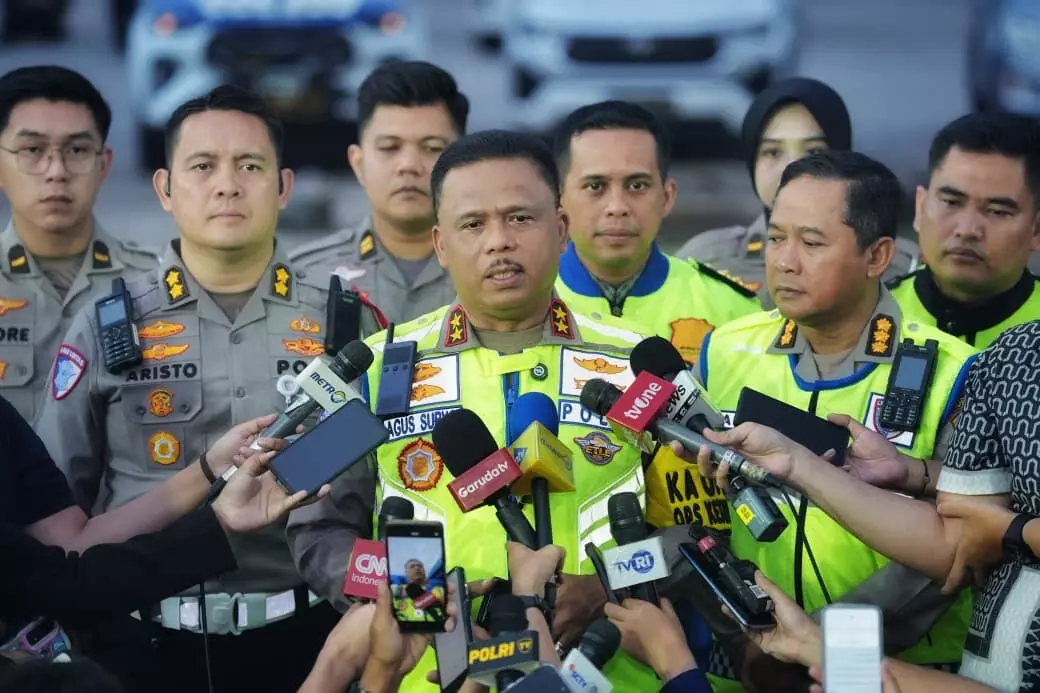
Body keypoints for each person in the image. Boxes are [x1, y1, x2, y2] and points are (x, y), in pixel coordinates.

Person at [33, 85, 381, 693]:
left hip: (305, 638)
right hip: (139, 645)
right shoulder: (107, 324)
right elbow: (56, 504)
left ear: (283, 186)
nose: (227, 185)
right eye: (202, 166)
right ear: (165, 189)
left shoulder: (347, 326)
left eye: (250, 166)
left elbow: (372, 495)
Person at [287, 129, 662, 691]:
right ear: (441, 245)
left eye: (520, 218)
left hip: (606, 670)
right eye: (473, 224)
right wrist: (418, 600)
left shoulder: (639, 363)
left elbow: (700, 529)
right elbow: (317, 528)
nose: (499, 242)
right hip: (432, 674)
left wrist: (607, 587)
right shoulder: (373, 368)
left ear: (561, 228)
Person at [694, 150, 976, 691]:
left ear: (878, 256)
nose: (785, 261)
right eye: (776, 238)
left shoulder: (953, 372)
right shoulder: (724, 350)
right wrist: (745, 637)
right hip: (748, 659)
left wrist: (812, 644)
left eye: (812, 243)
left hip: (901, 673)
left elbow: (959, 548)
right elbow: (691, 512)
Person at [551, 100, 760, 534]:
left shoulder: (733, 309)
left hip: (705, 549)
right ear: (559, 199)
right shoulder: (524, 308)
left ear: (667, 196)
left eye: (637, 185)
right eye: (595, 186)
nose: (617, 206)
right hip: (569, 555)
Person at [0, 66, 158, 422]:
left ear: (104, 165)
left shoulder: (153, 283)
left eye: (77, 150)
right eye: (32, 149)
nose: (56, 171)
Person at [674, 78, 919, 308]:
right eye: (772, 152)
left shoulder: (904, 267)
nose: (791, 168)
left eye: (813, 152)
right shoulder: (704, 262)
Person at [289, 61, 465, 324]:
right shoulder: (302, 277)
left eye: (432, 148)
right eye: (390, 147)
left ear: (465, 164)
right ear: (358, 164)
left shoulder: (499, 272)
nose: (409, 165)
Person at [887, 113, 1040, 348]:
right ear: (920, 207)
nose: (967, 230)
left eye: (997, 211)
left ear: (1036, 230)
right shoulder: (863, 317)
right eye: (951, 202)